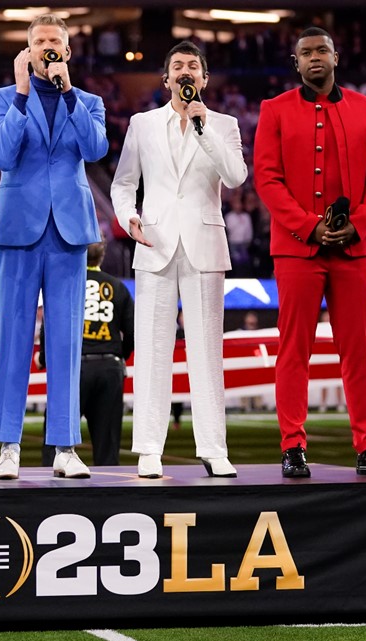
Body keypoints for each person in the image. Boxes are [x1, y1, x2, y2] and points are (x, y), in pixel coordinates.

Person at [252, 26, 366, 477]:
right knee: (293, 348)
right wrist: (309, 228)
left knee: (358, 348)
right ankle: (293, 446)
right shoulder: (274, 110)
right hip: (298, 250)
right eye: (305, 52)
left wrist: (356, 226)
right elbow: (267, 179)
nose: (314, 57)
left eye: (321, 50)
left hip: (354, 250)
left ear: (336, 57)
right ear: (295, 63)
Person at [111, 40, 247, 479]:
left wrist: (203, 128)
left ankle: (214, 448)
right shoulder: (142, 124)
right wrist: (129, 217)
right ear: (166, 78)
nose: (185, 71)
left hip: (204, 246)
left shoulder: (223, 124)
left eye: (193, 66)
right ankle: (149, 448)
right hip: (154, 244)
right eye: (177, 66)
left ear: (204, 79)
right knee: (152, 349)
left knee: (207, 350)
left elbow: (236, 176)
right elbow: (123, 182)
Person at [0, 13, 108, 480]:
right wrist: (20, 92)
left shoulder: (89, 101)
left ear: (67, 51)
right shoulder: (4, 98)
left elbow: (95, 150)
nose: (47, 47)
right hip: (18, 229)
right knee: (11, 340)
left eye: (55, 41)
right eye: (39, 42)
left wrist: (70, 92)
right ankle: (8, 446)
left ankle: (65, 448)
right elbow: (1, 156)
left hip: (70, 230)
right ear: (27, 51)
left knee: (65, 341)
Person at [37, 240, 134, 467]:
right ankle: (109, 498)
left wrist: (44, 357)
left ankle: (45, 498)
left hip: (73, 368)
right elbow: (131, 330)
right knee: (107, 448)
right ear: (102, 256)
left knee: (55, 442)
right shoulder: (117, 286)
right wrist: (120, 356)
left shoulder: (66, 283)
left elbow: (48, 323)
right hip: (109, 368)